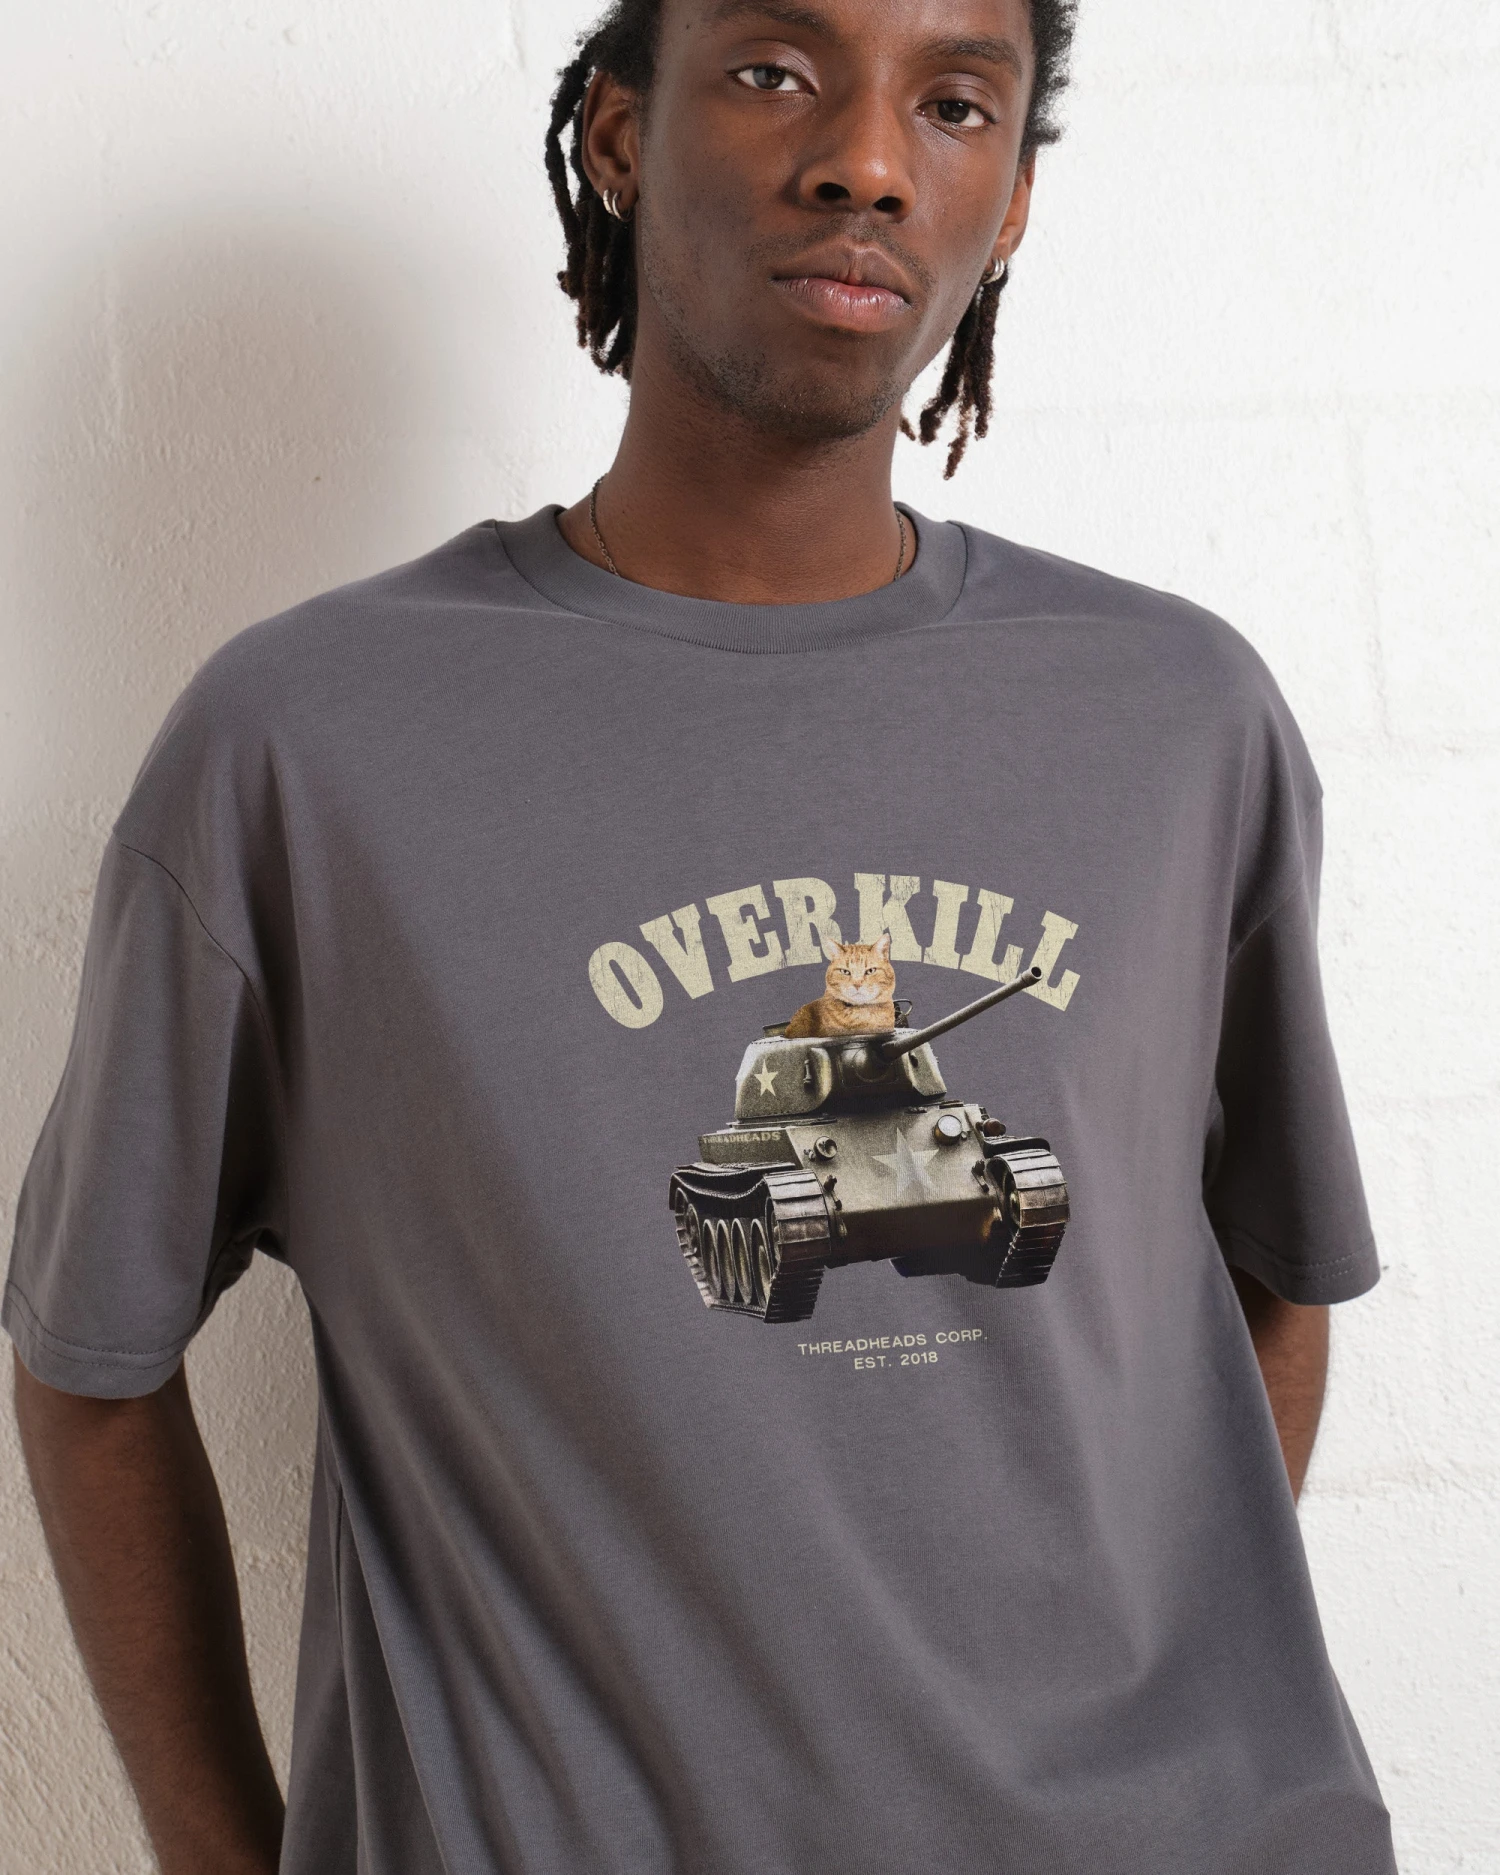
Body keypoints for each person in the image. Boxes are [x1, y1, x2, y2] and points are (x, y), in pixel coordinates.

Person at [8, 0, 1396, 1869]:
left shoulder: (1179, 715)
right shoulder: (306, 747)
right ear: (618, 134)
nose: (868, 160)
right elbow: (88, 1353)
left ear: (1011, 198)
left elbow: (1276, 1275)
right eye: (773, 70)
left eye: (955, 102)